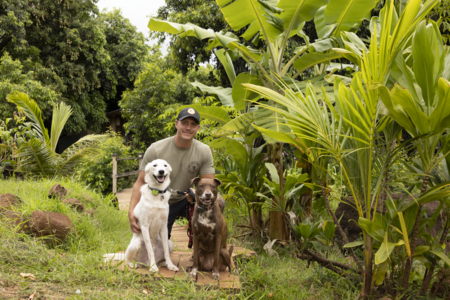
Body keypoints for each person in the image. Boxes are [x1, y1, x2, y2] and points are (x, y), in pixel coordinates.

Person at [128, 107, 215, 239]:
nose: (188, 128)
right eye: (184, 123)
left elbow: (208, 183)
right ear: (176, 124)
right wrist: (132, 211)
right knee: (158, 246)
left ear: (198, 128)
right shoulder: (156, 149)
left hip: (188, 199)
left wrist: (196, 196)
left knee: (217, 203)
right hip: (161, 201)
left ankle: (205, 244)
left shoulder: (204, 150)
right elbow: (141, 181)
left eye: (193, 124)